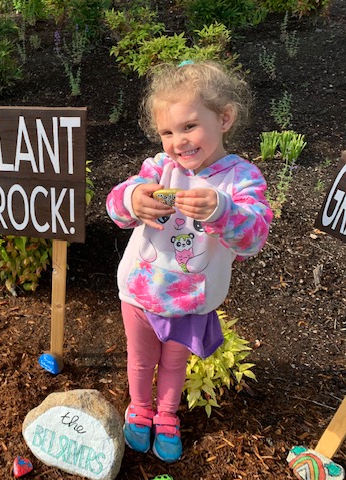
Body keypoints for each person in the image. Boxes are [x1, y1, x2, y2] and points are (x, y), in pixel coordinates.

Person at [106, 60, 273, 463]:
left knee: (174, 365)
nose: (179, 141)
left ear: (225, 118)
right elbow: (115, 206)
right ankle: (140, 409)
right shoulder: (160, 169)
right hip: (140, 292)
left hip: (189, 300)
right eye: (167, 132)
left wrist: (222, 210)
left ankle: (166, 415)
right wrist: (135, 198)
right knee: (141, 361)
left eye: (189, 126)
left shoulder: (240, 180)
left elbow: (254, 236)